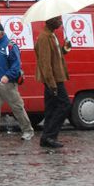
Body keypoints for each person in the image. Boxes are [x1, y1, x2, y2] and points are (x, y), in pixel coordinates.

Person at [0, 22, 35, 143]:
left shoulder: (10, 46)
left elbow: (16, 65)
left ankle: (28, 130)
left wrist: (7, 76)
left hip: (8, 84)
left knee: (17, 107)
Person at [34, 16, 71, 149]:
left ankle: (46, 138)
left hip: (56, 77)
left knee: (51, 108)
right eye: (57, 20)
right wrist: (52, 83)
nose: (60, 22)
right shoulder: (44, 37)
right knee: (65, 105)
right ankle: (50, 135)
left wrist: (65, 49)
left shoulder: (52, 35)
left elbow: (56, 55)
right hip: (53, 79)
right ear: (50, 21)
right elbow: (45, 63)